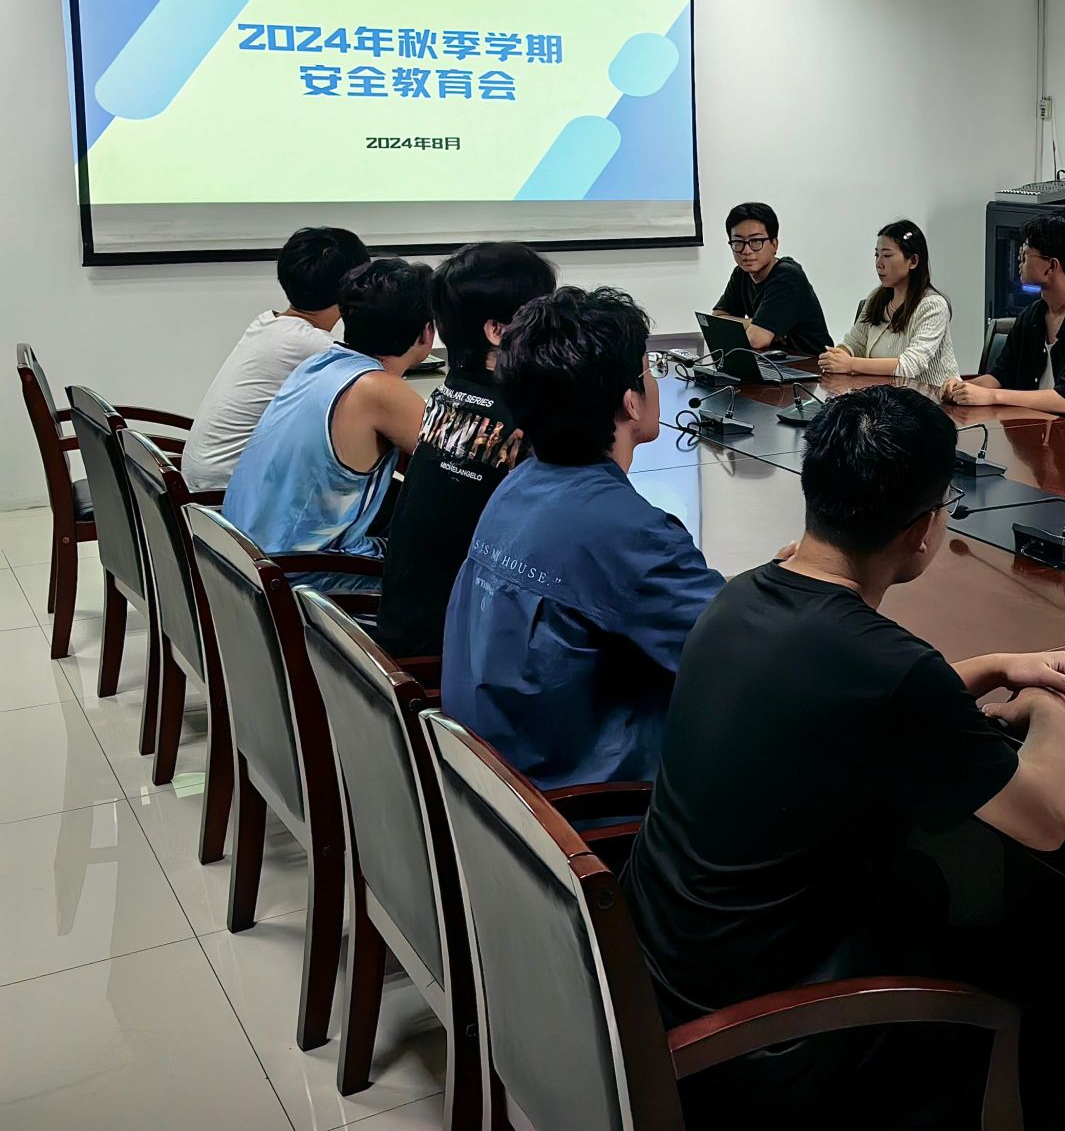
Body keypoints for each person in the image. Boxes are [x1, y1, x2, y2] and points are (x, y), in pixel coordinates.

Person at [623, 386, 1065, 1131]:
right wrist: (1049, 708)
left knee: (922, 882)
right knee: (1062, 962)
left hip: (669, 980)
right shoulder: (888, 670)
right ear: (924, 530)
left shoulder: (738, 598)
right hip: (766, 1043)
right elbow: (1045, 817)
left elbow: (848, 698)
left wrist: (989, 669)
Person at [439, 286, 722, 790]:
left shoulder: (517, 484)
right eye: (649, 371)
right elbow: (741, 653)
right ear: (630, 401)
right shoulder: (627, 532)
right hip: (578, 809)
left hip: (491, 786)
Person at [369, 242, 556, 658]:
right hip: (453, 652)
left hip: (407, 628)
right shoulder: (521, 421)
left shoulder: (447, 396)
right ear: (497, 331)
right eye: (542, 314)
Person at [222, 257, 433, 568]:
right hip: (305, 575)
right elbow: (456, 456)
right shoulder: (377, 388)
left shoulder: (318, 363)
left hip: (243, 560)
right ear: (427, 333)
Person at [184, 226, 369, 491]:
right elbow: (380, 393)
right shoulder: (313, 346)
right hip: (228, 495)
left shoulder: (269, 323)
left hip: (202, 485)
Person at [945, 213, 1065, 429]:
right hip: (1031, 430)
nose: (1020, 260)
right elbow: (1000, 376)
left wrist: (993, 396)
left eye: (1026, 252)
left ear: (1051, 266)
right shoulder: (1032, 316)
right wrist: (960, 388)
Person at [818, 219, 959, 389]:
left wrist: (850, 364)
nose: (879, 264)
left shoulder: (933, 306)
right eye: (876, 255)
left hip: (930, 399)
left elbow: (909, 366)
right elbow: (854, 343)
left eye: (887, 256)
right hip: (884, 396)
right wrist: (837, 356)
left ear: (913, 261)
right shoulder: (876, 299)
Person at [712, 201, 831, 356]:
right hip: (773, 360)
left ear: (774, 244)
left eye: (756, 241)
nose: (747, 251)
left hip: (811, 364)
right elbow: (716, 321)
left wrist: (754, 327)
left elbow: (756, 340)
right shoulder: (741, 273)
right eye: (738, 242)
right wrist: (752, 322)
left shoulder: (787, 276)